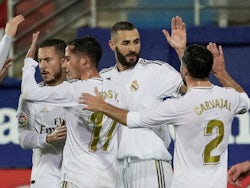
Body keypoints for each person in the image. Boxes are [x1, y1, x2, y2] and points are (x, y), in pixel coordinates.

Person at [80, 43, 250, 188]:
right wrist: (221, 72)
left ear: (184, 70)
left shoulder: (179, 106)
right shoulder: (229, 97)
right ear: (210, 69)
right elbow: (245, 101)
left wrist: (102, 106)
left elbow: (131, 119)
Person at [21, 36, 125, 188]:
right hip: (108, 179)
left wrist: (29, 63)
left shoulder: (75, 90)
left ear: (83, 61)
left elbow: (29, 92)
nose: (65, 65)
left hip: (77, 178)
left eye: (68, 59)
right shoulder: (117, 90)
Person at [94, 16, 186, 188]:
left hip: (149, 164)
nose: (132, 48)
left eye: (136, 42)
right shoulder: (103, 78)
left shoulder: (155, 71)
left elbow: (191, 90)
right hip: (115, 168)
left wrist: (182, 52)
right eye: (126, 43)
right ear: (112, 45)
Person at [17, 31, 67, 188]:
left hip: (77, 174)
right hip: (45, 177)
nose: (42, 66)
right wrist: (47, 139)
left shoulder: (78, 91)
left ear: (64, 61)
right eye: (39, 60)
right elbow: (23, 139)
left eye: (48, 60)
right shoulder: (30, 96)